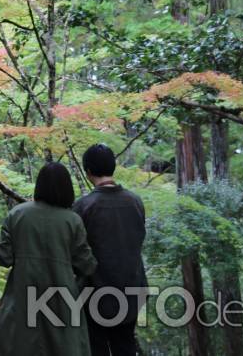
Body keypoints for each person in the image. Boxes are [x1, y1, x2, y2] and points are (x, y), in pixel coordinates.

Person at [0, 162, 97, 356]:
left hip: (21, 299)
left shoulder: (17, 214)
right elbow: (87, 265)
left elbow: (3, 258)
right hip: (61, 302)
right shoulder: (72, 221)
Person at [74, 144, 147, 356]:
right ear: (113, 167)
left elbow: (77, 252)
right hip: (132, 288)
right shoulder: (135, 201)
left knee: (97, 348)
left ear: (88, 171)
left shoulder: (83, 206)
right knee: (125, 345)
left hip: (95, 292)